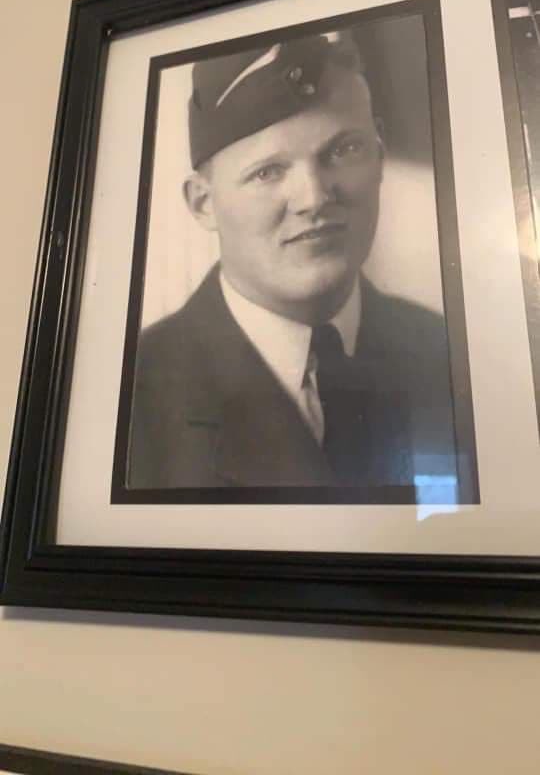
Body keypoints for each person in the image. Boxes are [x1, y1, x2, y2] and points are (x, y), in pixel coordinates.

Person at [126, 31, 461, 501]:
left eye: (343, 151)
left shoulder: (446, 353)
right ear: (203, 203)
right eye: (268, 172)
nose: (315, 198)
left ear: (381, 158)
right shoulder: (134, 399)